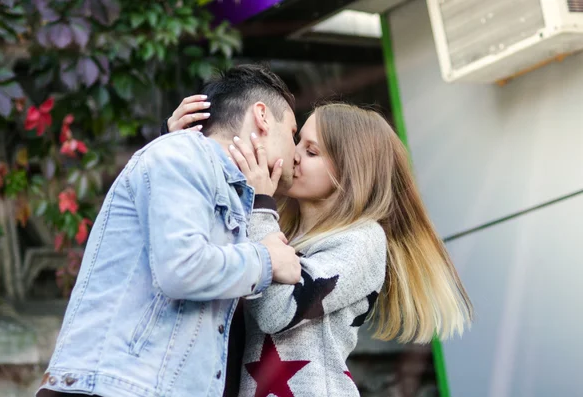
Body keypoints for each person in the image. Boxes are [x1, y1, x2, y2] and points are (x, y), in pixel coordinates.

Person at [166, 98, 474, 396]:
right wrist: (184, 149)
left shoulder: (362, 240)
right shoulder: (273, 228)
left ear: (351, 171)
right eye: (297, 141)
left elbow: (277, 312)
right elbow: (190, 254)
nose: (294, 155)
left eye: (311, 151)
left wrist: (261, 209)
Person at [36, 64, 303, 397]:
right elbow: (181, 266)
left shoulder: (220, 185)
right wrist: (267, 259)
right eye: (293, 133)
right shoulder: (182, 153)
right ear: (262, 116)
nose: (296, 154)